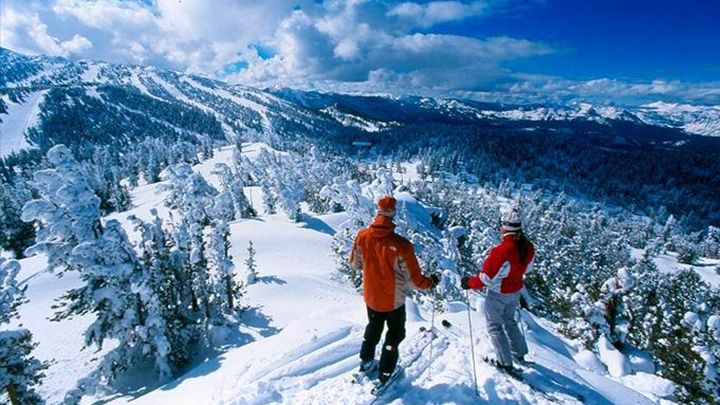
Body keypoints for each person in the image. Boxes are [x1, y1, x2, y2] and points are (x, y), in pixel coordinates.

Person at [349, 196, 440, 382]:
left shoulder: (363, 235)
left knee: (373, 327)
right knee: (395, 333)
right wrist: (431, 282)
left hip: (371, 296)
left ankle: (366, 362)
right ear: (393, 212)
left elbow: (354, 264)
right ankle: (386, 372)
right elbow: (416, 281)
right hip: (393, 300)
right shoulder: (402, 245)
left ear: (378, 210)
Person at [461, 208, 535, 373]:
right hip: (515, 291)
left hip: (498, 293)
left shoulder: (502, 250)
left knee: (495, 326)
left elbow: (485, 278)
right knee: (510, 321)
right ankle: (519, 353)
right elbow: (528, 269)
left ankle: (505, 362)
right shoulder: (528, 247)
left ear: (505, 227)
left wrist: (468, 283)